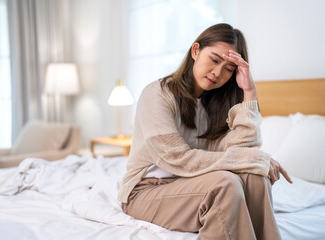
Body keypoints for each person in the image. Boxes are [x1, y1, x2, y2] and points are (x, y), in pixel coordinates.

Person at [118, 23, 292, 240]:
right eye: (215, 59)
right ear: (195, 51)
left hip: (193, 184)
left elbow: (239, 152)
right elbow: (176, 158)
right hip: (144, 192)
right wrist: (254, 158)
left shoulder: (216, 105)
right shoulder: (157, 93)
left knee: (254, 177)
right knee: (225, 183)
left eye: (229, 68)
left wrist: (249, 92)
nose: (218, 72)